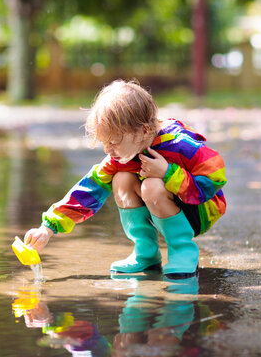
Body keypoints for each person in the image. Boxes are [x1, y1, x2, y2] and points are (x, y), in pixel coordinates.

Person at [24, 79, 227, 279]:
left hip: (200, 210)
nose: (107, 150)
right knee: (120, 179)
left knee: (152, 186)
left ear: (144, 131)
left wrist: (168, 172)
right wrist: (48, 227)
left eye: (113, 142)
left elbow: (215, 179)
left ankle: (182, 250)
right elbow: (89, 189)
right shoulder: (119, 157)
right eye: (105, 142)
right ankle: (145, 252)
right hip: (167, 205)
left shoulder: (181, 144)